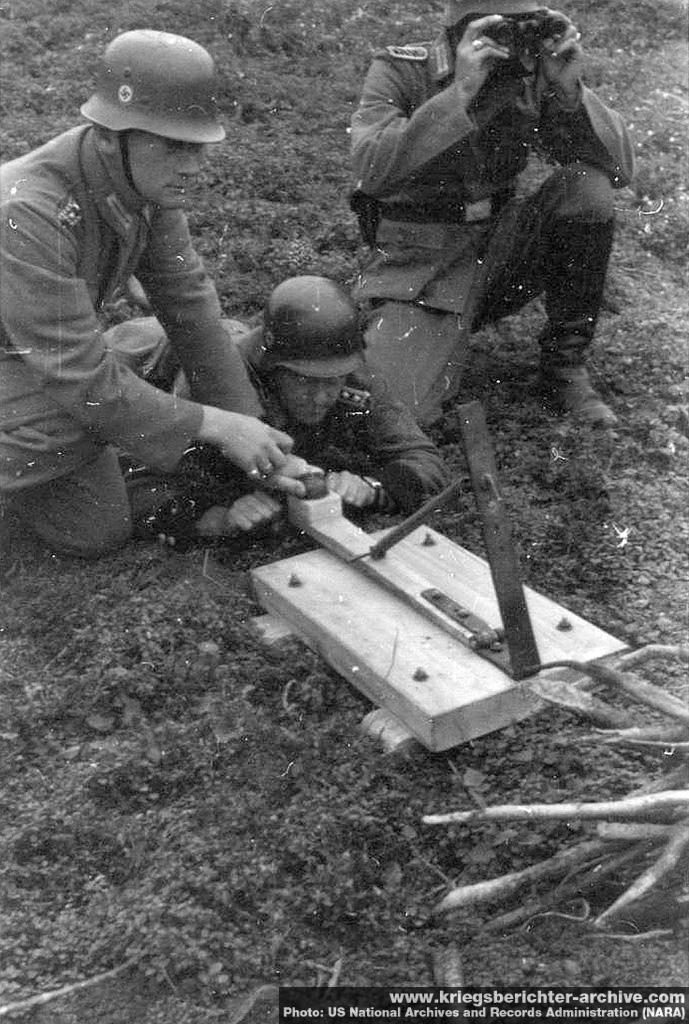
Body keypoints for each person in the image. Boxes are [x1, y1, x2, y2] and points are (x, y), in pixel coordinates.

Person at [0, 29, 308, 559]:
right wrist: (214, 425)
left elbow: (188, 305)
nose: (192, 166)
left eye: (196, 147)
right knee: (77, 412)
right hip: (36, 362)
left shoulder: (144, 184)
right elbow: (79, 375)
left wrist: (254, 438)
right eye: (172, 146)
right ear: (105, 135)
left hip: (30, 356)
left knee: (94, 531)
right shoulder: (29, 210)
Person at [349, 0, 635, 429]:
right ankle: (426, 333)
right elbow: (371, 170)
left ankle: (564, 365)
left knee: (586, 191)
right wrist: (459, 92)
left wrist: (570, 90)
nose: (517, 43)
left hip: (500, 250)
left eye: (527, 28)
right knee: (393, 411)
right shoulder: (403, 69)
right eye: (504, 28)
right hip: (424, 266)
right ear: (460, 27)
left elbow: (620, 170)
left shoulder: (530, 75)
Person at [149, 275, 449, 543]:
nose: (320, 397)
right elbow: (139, 485)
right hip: (142, 357)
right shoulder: (212, 386)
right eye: (304, 381)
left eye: (331, 382)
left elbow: (425, 459)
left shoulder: (355, 374)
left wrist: (374, 488)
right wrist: (218, 517)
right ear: (273, 367)